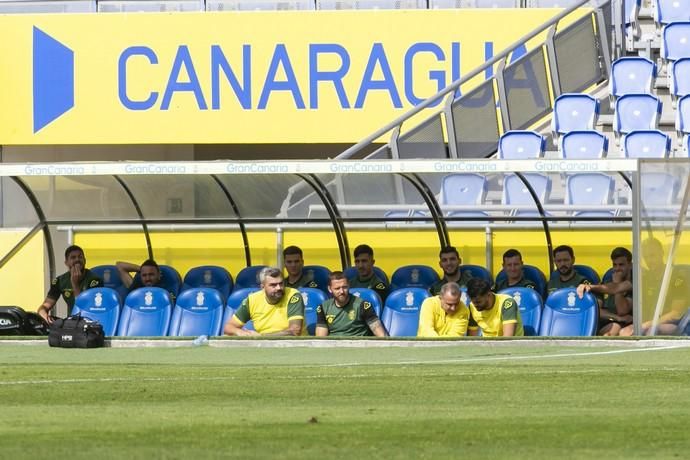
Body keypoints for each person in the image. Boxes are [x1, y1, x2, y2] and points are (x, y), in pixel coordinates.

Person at [620, 238, 688, 336]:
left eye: (652, 255)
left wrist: (647, 324)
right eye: (646, 257)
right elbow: (617, 288)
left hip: (671, 325)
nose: (649, 260)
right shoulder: (645, 278)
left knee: (652, 331)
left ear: (661, 253)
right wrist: (594, 287)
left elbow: (676, 314)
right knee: (623, 332)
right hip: (646, 324)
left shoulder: (676, 278)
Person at [224, 267, 305, 336]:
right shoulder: (252, 300)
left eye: (281, 283)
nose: (279, 288)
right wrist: (240, 332)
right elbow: (228, 327)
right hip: (263, 346)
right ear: (263, 287)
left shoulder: (293, 295)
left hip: (292, 346)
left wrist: (262, 337)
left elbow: (295, 331)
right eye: (273, 285)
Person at [37, 245, 103, 323]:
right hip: (71, 323)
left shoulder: (95, 280)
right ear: (66, 262)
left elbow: (84, 309)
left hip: (89, 322)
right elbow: (46, 305)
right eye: (73, 257)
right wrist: (43, 313)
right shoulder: (59, 281)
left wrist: (75, 284)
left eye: (80, 257)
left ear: (85, 260)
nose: (77, 259)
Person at [577, 247, 633, 336]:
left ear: (630, 265)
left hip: (628, 324)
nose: (617, 268)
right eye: (615, 265)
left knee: (615, 329)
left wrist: (617, 283)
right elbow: (595, 309)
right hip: (608, 322)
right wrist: (617, 318)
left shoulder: (634, 282)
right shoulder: (607, 281)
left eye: (621, 265)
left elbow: (622, 310)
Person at [315, 272, 387, 337]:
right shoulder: (323, 308)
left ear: (349, 286)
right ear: (330, 289)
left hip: (358, 346)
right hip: (334, 347)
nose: (342, 291)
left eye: (344, 287)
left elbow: (380, 334)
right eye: (337, 288)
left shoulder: (363, 306)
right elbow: (321, 339)